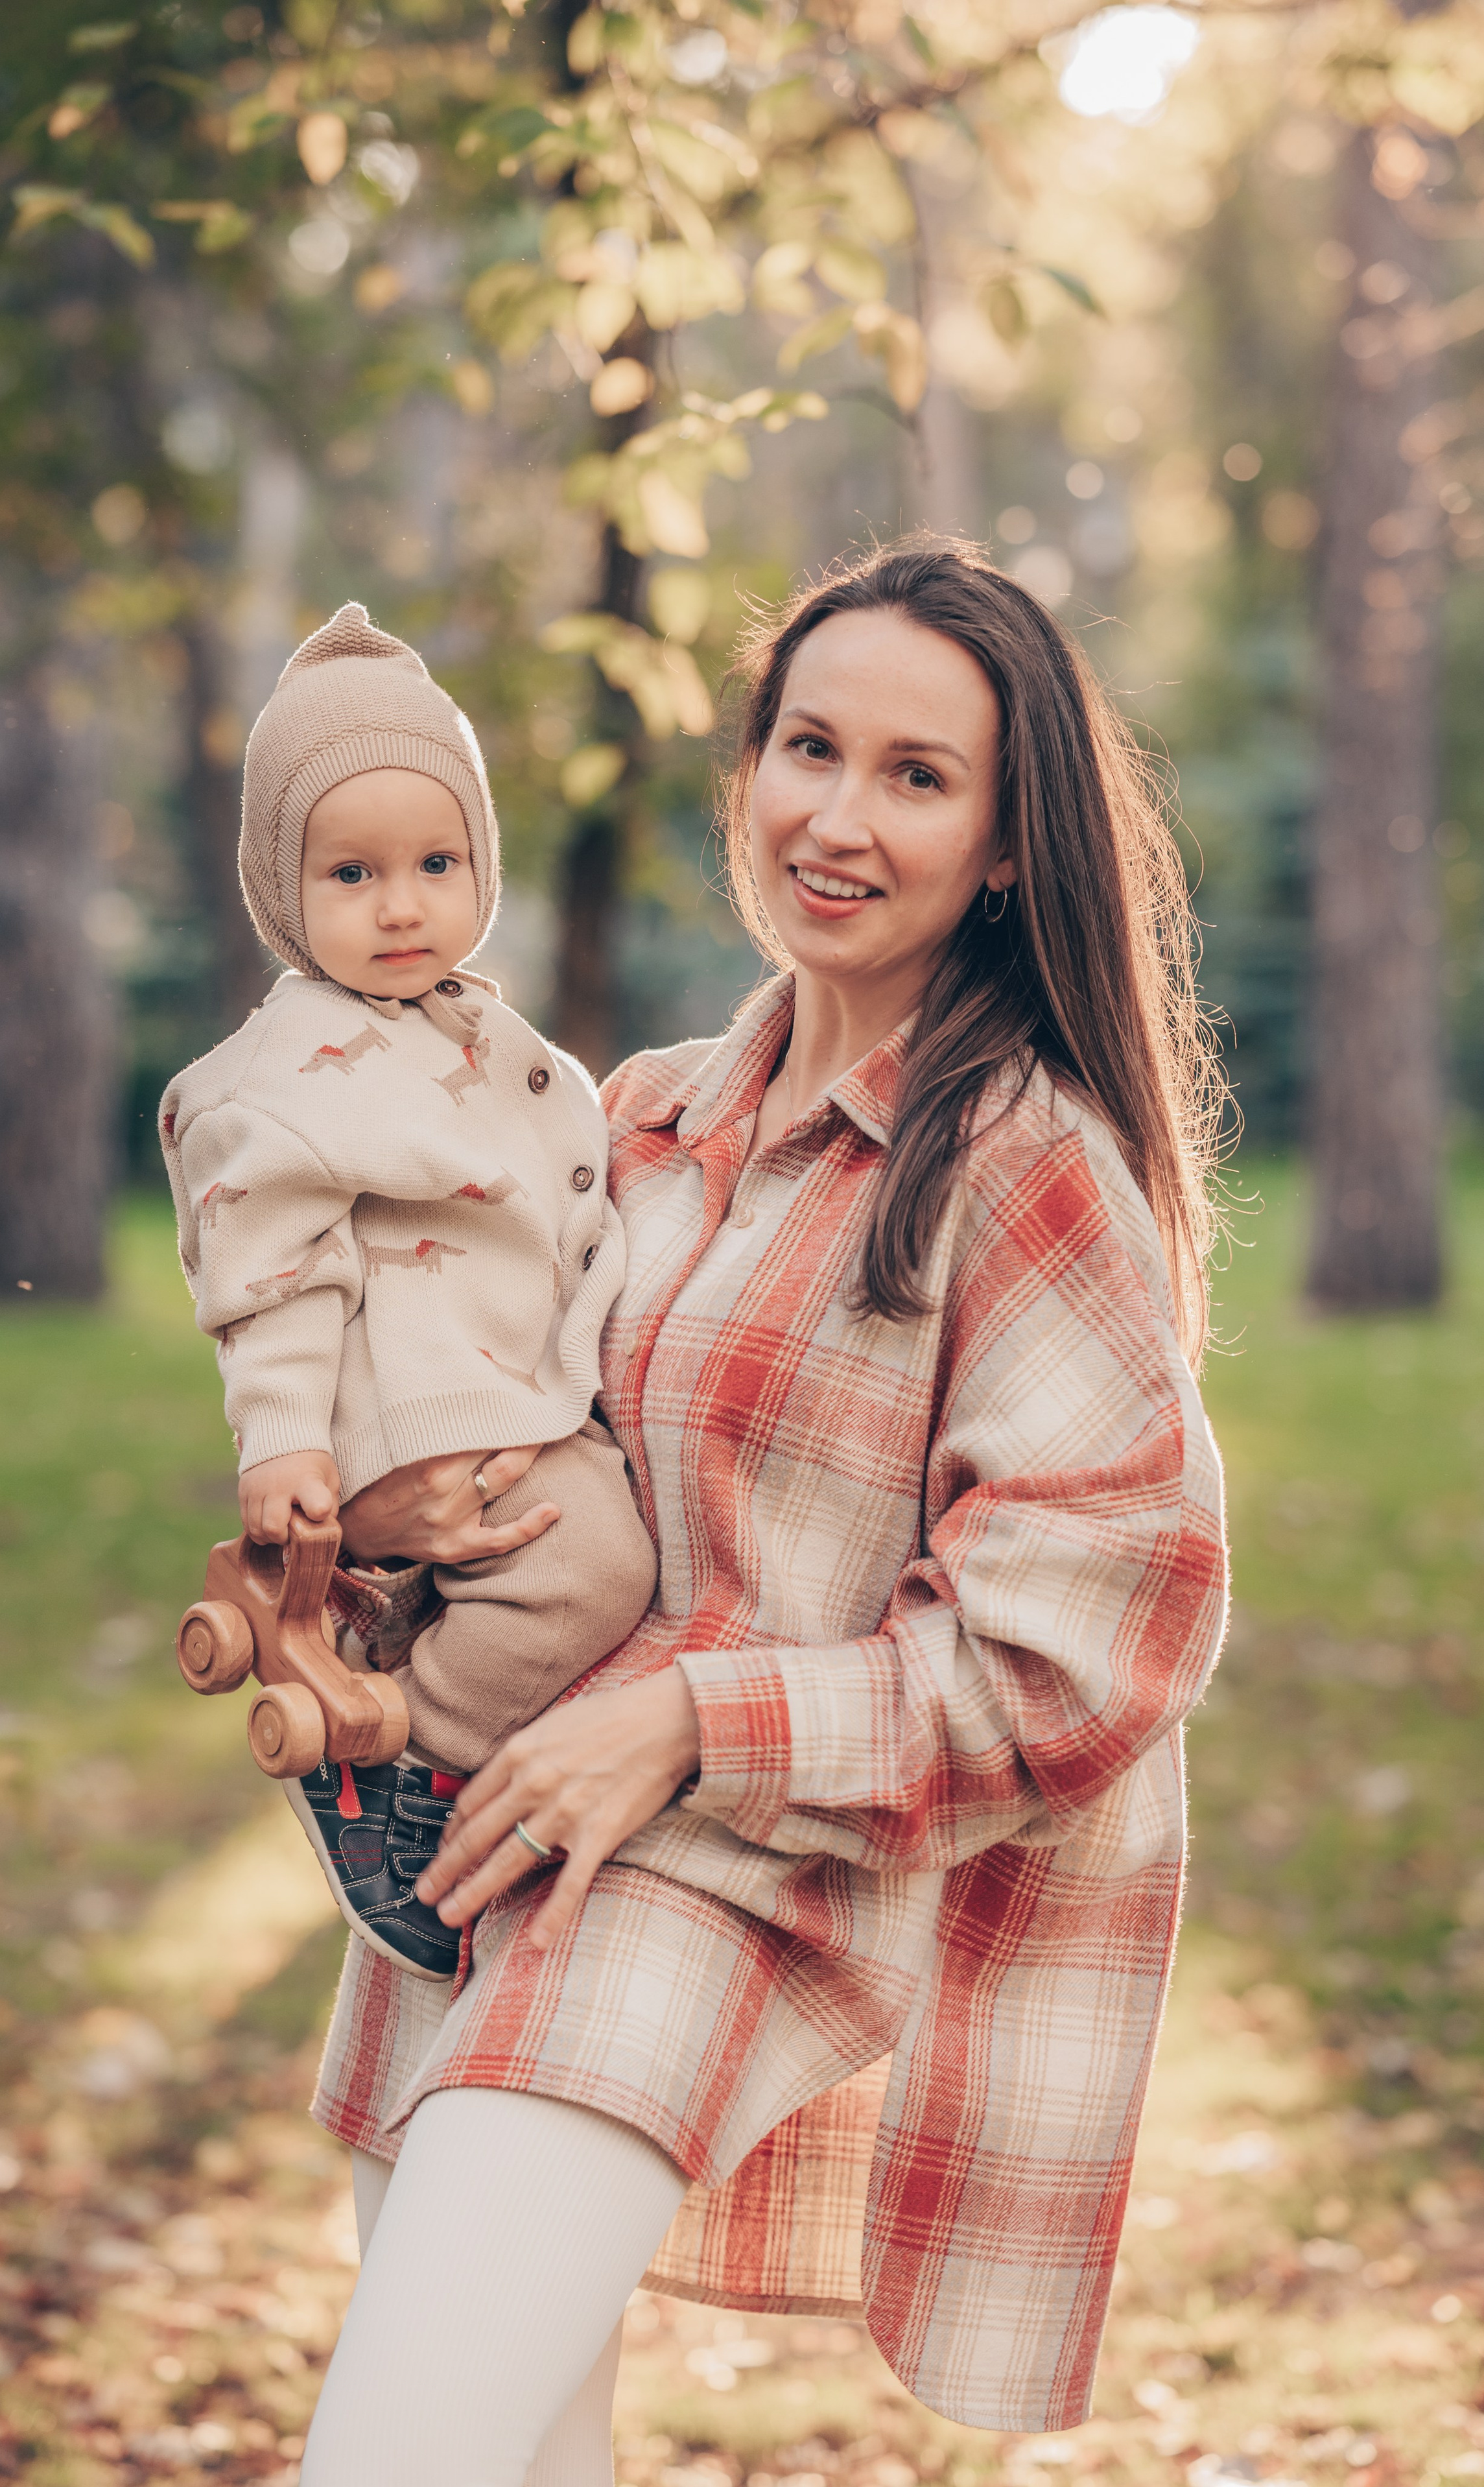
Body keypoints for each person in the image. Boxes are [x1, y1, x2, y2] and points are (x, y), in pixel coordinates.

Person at [301, 538, 1231, 2484]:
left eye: (917, 774)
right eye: (810, 746)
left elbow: (1091, 1647)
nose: (837, 813)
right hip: (483, 1861)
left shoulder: (1026, 1166)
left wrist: (691, 1720)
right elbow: (529, 1465)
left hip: (733, 1879)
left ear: (1002, 843)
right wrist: (362, 1562)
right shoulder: (629, 1115)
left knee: (390, 2457)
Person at [159, 604, 656, 1977]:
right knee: (592, 1565)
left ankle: (398, 1663)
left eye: (437, 862)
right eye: (352, 873)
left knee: (601, 1547)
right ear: (281, 888)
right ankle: (398, 1753)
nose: (400, 904)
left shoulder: (461, 1019)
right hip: (411, 1405)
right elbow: (269, 1273)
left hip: (490, 1379)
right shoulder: (292, 1070)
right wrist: (286, 1443)